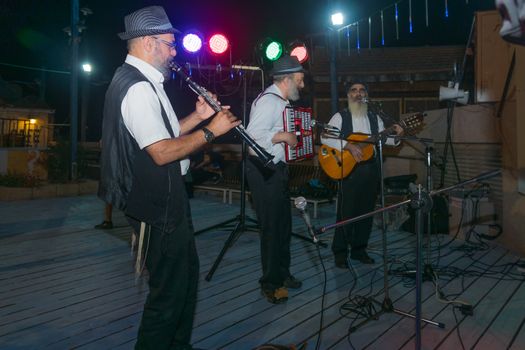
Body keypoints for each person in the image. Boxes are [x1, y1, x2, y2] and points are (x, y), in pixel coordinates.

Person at [97, 6, 240, 350]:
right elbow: (161, 152)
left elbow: (162, 133)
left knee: (185, 280)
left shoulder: (142, 81)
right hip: (155, 205)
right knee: (167, 295)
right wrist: (211, 132)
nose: (175, 51)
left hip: (167, 200)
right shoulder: (138, 89)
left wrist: (197, 116)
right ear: (148, 43)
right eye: (169, 43)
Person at [321, 82, 403, 268]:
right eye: (353, 90)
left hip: (371, 169)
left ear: (367, 95)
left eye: (362, 90)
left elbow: (386, 141)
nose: (358, 93)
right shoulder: (340, 116)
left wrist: (397, 135)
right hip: (349, 169)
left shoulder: (376, 118)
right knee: (346, 212)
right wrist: (348, 145)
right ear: (348, 96)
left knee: (366, 212)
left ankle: (359, 250)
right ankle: (340, 252)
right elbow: (325, 137)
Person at [246, 55, 305, 304]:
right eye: (300, 81)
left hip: (276, 170)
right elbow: (252, 140)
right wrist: (283, 136)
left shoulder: (281, 101)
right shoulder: (269, 102)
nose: (302, 86)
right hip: (263, 171)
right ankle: (270, 284)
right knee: (271, 229)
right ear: (287, 80)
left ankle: (283, 273)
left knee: (283, 226)